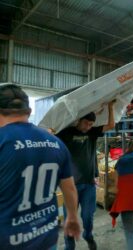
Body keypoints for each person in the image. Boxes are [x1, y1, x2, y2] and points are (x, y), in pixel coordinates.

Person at [0, 84, 80, 250]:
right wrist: (72, 216)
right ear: (28, 111)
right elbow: (70, 188)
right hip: (46, 237)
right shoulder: (56, 142)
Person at [56, 102, 115, 250]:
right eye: (86, 123)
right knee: (70, 218)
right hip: (71, 185)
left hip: (89, 183)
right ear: (79, 121)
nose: (88, 126)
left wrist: (110, 107)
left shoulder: (92, 132)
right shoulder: (67, 133)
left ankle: (88, 235)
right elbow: (54, 133)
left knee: (88, 217)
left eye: (91, 124)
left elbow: (111, 125)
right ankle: (69, 246)